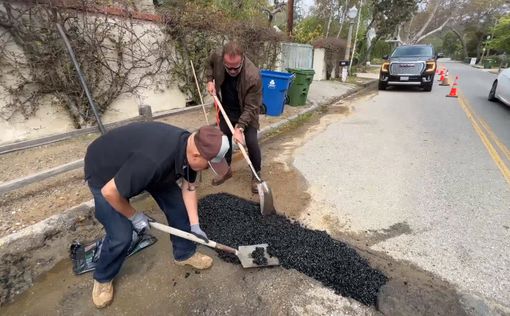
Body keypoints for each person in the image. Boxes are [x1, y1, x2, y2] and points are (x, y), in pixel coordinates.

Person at [83, 122, 229, 308]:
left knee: (179, 207)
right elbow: (110, 192)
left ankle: (184, 254)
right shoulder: (153, 162)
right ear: (195, 155)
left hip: (142, 166)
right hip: (104, 173)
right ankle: (103, 277)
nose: (207, 170)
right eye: (208, 166)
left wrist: (194, 225)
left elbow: (189, 188)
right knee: (121, 235)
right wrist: (134, 216)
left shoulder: (190, 146)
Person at [206, 41, 263, 194]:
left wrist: (240, 127)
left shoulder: (253, 76)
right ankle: (226, 170)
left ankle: (256, 175)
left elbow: (252, 106)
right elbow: (210, 64)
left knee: (251, 142)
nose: (231, 71)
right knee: (224, 140)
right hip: (227, 108)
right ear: (223, 59)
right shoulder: (217, 56)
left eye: (236, 67)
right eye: (228, 67)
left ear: (243, 59)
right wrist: (210, 80)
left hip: (247, 111)